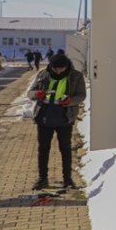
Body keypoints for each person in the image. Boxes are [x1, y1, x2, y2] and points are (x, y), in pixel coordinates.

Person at [27, 53, 87, 190]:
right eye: (55, 69)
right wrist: (37, 94)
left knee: (65, 149)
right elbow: (30, 93)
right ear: (51, 66)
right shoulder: (43, 74)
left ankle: (67, 179)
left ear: (66, 66)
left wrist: (70, 101)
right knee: (43, 149)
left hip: (65, 117)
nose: (58, 71)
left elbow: (81, 95)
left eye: (61, 68)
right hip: (44, 116)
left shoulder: (76, 76)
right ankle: (42, 178)